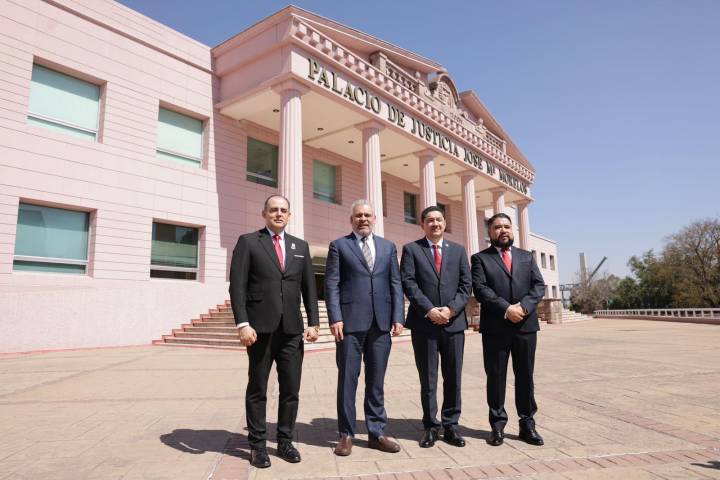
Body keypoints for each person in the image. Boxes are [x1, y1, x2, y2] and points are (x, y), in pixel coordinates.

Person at [228, 195, 319, 468]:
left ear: (289, 215)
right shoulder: (248, 242)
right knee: (258, 388)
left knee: (291, 389)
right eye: (273, 210)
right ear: (264, 213)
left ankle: (285, 441)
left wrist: (313, 322)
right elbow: (237, 286)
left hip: (292, 330)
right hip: (259, 329)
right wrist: (243, 324)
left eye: (283, 210)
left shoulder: (300, 246)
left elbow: (309, 288)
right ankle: (257, 446)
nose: (278, 214)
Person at [325, 200, 404, 456]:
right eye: (358, 215)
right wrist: (335, 317)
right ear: (351, 220)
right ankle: (346, 434)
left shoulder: (388, 247)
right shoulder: (339, 246)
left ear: (374, 219)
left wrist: (398, 316)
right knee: (348, 379)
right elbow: (332, 284)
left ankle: (376, 433)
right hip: (349, 325)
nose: (363, 219)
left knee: (376, 381)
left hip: (381, 324)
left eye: (367, 215)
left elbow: (395, 283)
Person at [471, 212, 546, 447]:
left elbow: (538, 286)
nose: (502, 230)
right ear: (489, 232)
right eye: (497, 227)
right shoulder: (480, 259)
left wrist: (523, 307)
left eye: (506, 226)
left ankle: (527, 424)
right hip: (496, 328)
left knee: (525, 376)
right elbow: (481, 289)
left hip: (525, 326)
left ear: (512, 230)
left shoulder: (526, 257)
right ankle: (497, 426)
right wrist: (506, 309)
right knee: (496, 377)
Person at [400, 206, 472, 448]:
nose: (435, 224)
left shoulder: (459, 251)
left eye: (439, 219)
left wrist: (450, 310)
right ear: (422, 224)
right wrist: (429, 310)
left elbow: (466, 285)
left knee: (453, 377)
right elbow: (408, 283)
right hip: (424, 325)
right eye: (430, 220)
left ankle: (451, 425)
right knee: (428, 379)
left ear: (445, 222)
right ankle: (431, 426)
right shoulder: (411, 249)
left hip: (454, 324)